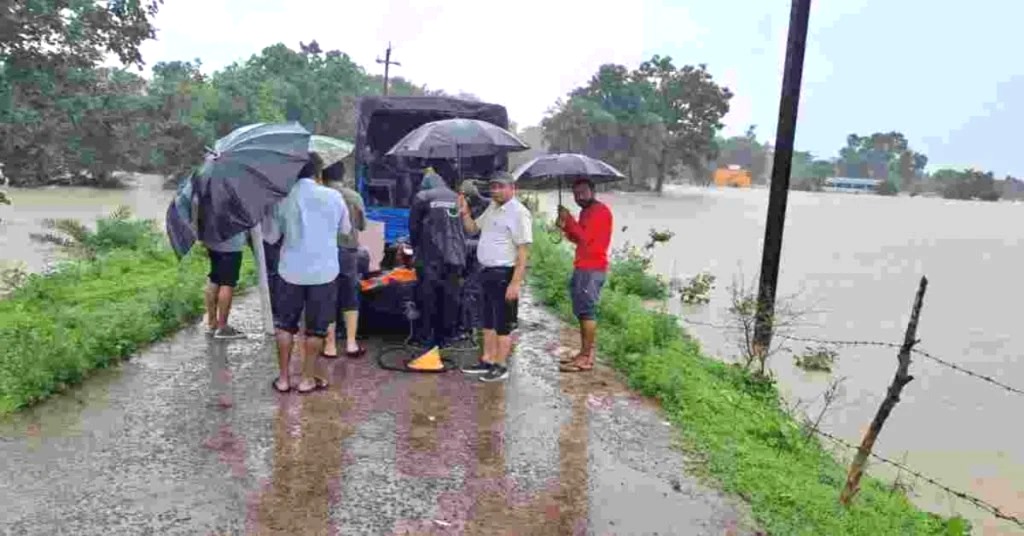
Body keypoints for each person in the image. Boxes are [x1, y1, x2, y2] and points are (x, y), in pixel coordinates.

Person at [270, 153, 350, 394]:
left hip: (290, 271)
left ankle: (283, 379)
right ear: (318, 173)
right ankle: (306, 379)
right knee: (316, 329)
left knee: (285, 326)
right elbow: (345, 231)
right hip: (323, 273)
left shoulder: (282, 198)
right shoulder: (334, 196)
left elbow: (272, 236)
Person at [457, 171, 532, 383]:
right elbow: (472, 229)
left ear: (512, 188)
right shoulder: (492, 207)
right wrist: (464, 212)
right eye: (493, 187)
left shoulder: (519, 213)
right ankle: (487, 360)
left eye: (501, 187)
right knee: (487, 320)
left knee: (503, 323)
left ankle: (500, 366)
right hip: (486, 271)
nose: (496, 191)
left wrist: (516, 283)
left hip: (504, 273)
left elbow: (523, 251)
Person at [556, 178, 614, 372]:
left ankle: (586, 358)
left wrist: (569, 219)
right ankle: (583, 352)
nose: (579, 196)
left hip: (592, 268)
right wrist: (565, 225)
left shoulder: (600, 211)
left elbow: (585, 238)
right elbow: (577, 238)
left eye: (583, 192)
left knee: (587, 312)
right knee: (581, 312)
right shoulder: (586, 211)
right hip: (583, 266)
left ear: (593, 191)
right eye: (576, 193)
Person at [409, 168, 467, 348]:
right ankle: (447, 337)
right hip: (456, 256)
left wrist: (415, 247)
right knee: (450, 297)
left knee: (428, 297)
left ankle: (426, 338)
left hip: (430, 256)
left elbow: (414, 227)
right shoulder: (457, 197)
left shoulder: (423, 197)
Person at [322, 160, 367, 358]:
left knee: (328, 295)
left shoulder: (321, 196)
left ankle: (330, 346)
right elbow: (362, 225)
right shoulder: (353, 196)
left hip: (326, 250)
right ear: (342, 175)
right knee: (350, 295)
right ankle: (351, 343)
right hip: (348, 251)